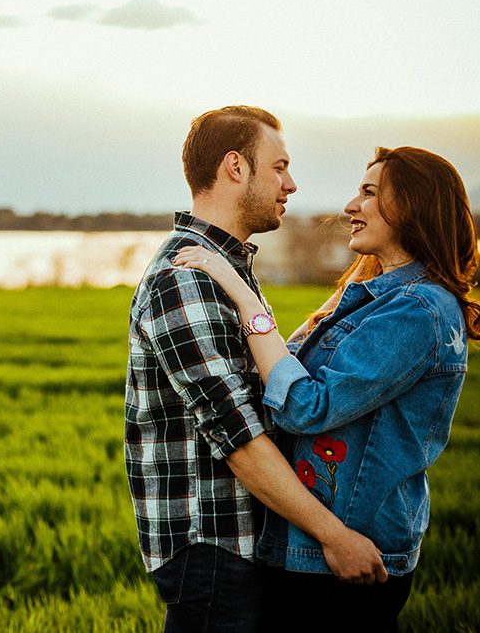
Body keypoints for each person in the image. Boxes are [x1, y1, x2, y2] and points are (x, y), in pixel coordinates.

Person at [172, 145, 477, 632]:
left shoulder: (418, 311)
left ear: (413, 208)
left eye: (370, 193)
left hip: (343, 560)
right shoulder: (374, 297)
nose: (351, 206)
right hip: (314, 554)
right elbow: (284, 373)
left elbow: (302, 405)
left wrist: (239, 289)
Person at [125, 106, 386, 633]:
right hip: (216, 549)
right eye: (279, 166)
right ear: (235, 168)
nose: (290, 184)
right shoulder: (187, 276)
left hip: (240, 545)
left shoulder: (222, 268)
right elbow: (238, 435)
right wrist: (335, 536)